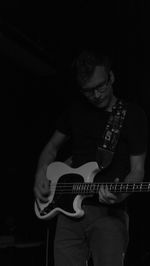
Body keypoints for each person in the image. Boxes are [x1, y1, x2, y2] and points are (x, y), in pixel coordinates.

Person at [34, 49, 148, 266]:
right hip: (66, 211)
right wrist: (40, 173)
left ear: (111, 77)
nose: (96, 95)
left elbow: (137, 171)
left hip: (109, 214)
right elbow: (51, 148)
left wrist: (121, 194)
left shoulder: (133, 115)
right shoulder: (74, 112)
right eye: (88, 91)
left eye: (101, 86)